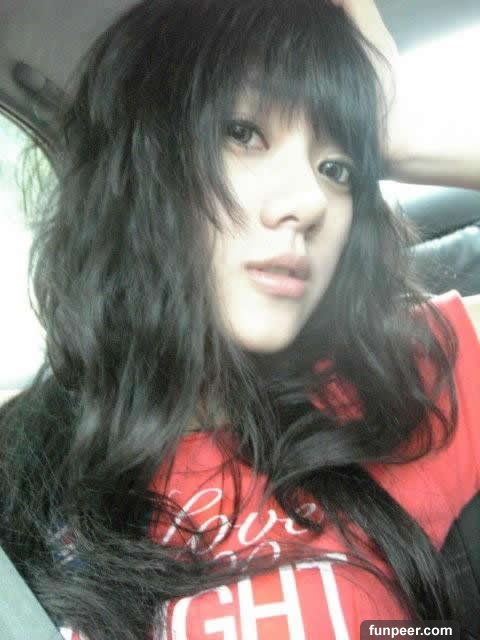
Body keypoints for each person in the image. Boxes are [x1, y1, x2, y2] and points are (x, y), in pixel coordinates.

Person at [0, 0, 479, 638]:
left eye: (337, 169)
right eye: (245, 133)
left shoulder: (404, 379)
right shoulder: (26, 461)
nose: (310, 200)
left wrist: (402, 141)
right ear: (144, 163)